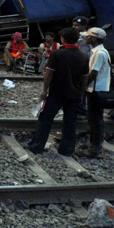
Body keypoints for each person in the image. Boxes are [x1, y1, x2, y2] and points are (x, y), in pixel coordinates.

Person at [27, 28, 89, 156]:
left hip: (57, 92)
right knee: (70, 122)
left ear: (62, 39)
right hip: (74, 94)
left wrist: (44, 90)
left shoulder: (57, 54)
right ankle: (67, 150)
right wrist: (81, 93)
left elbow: (49, 73)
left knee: (45, 118)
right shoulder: (83, 56)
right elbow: (84, 77)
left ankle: (36, 146)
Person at [82, 28, 111, 159]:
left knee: (95, 119)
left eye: (87, 36)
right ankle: (94, 144)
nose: (85, 38)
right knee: (95, 119)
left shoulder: (99, 53)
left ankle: (94, 148)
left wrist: (82, 87)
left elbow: (93, 73)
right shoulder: (101, 51)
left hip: (95, 90)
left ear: (93, 38)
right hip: (98, 89)